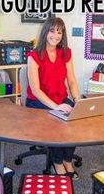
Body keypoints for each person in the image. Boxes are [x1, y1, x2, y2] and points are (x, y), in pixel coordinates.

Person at [26, 17, 80, 179]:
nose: (55, 36)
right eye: (52, 31)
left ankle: (67, 159)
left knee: (76, 118)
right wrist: (55, 106)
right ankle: (57, 163)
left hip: (61, 98)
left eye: (59, 32)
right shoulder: (34, 56)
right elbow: (35, 90)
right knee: (59, 123)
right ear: (45, 32)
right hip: (38, 102)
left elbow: (71, 80)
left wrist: (77, 99)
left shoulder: (65, 53)